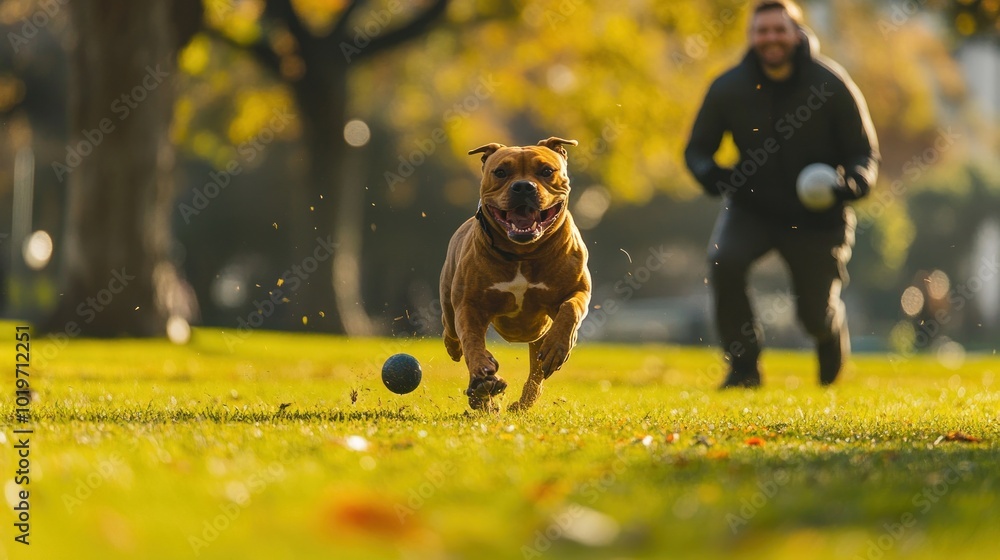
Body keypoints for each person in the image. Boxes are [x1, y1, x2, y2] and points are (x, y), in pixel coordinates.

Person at [684, 0, 879, 388]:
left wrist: (851, 184)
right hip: (752, 207)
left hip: (818, 216)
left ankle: (829, 331)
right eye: (762, 31)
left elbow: (864, 154)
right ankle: (744, 368)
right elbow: (697, 151)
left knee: (813, 315)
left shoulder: (830, 83)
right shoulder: (729, 87)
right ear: (752, 37)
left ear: (796, 33)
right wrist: (714, 175)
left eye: (779, 30)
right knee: (726, 261)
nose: (770, 38)